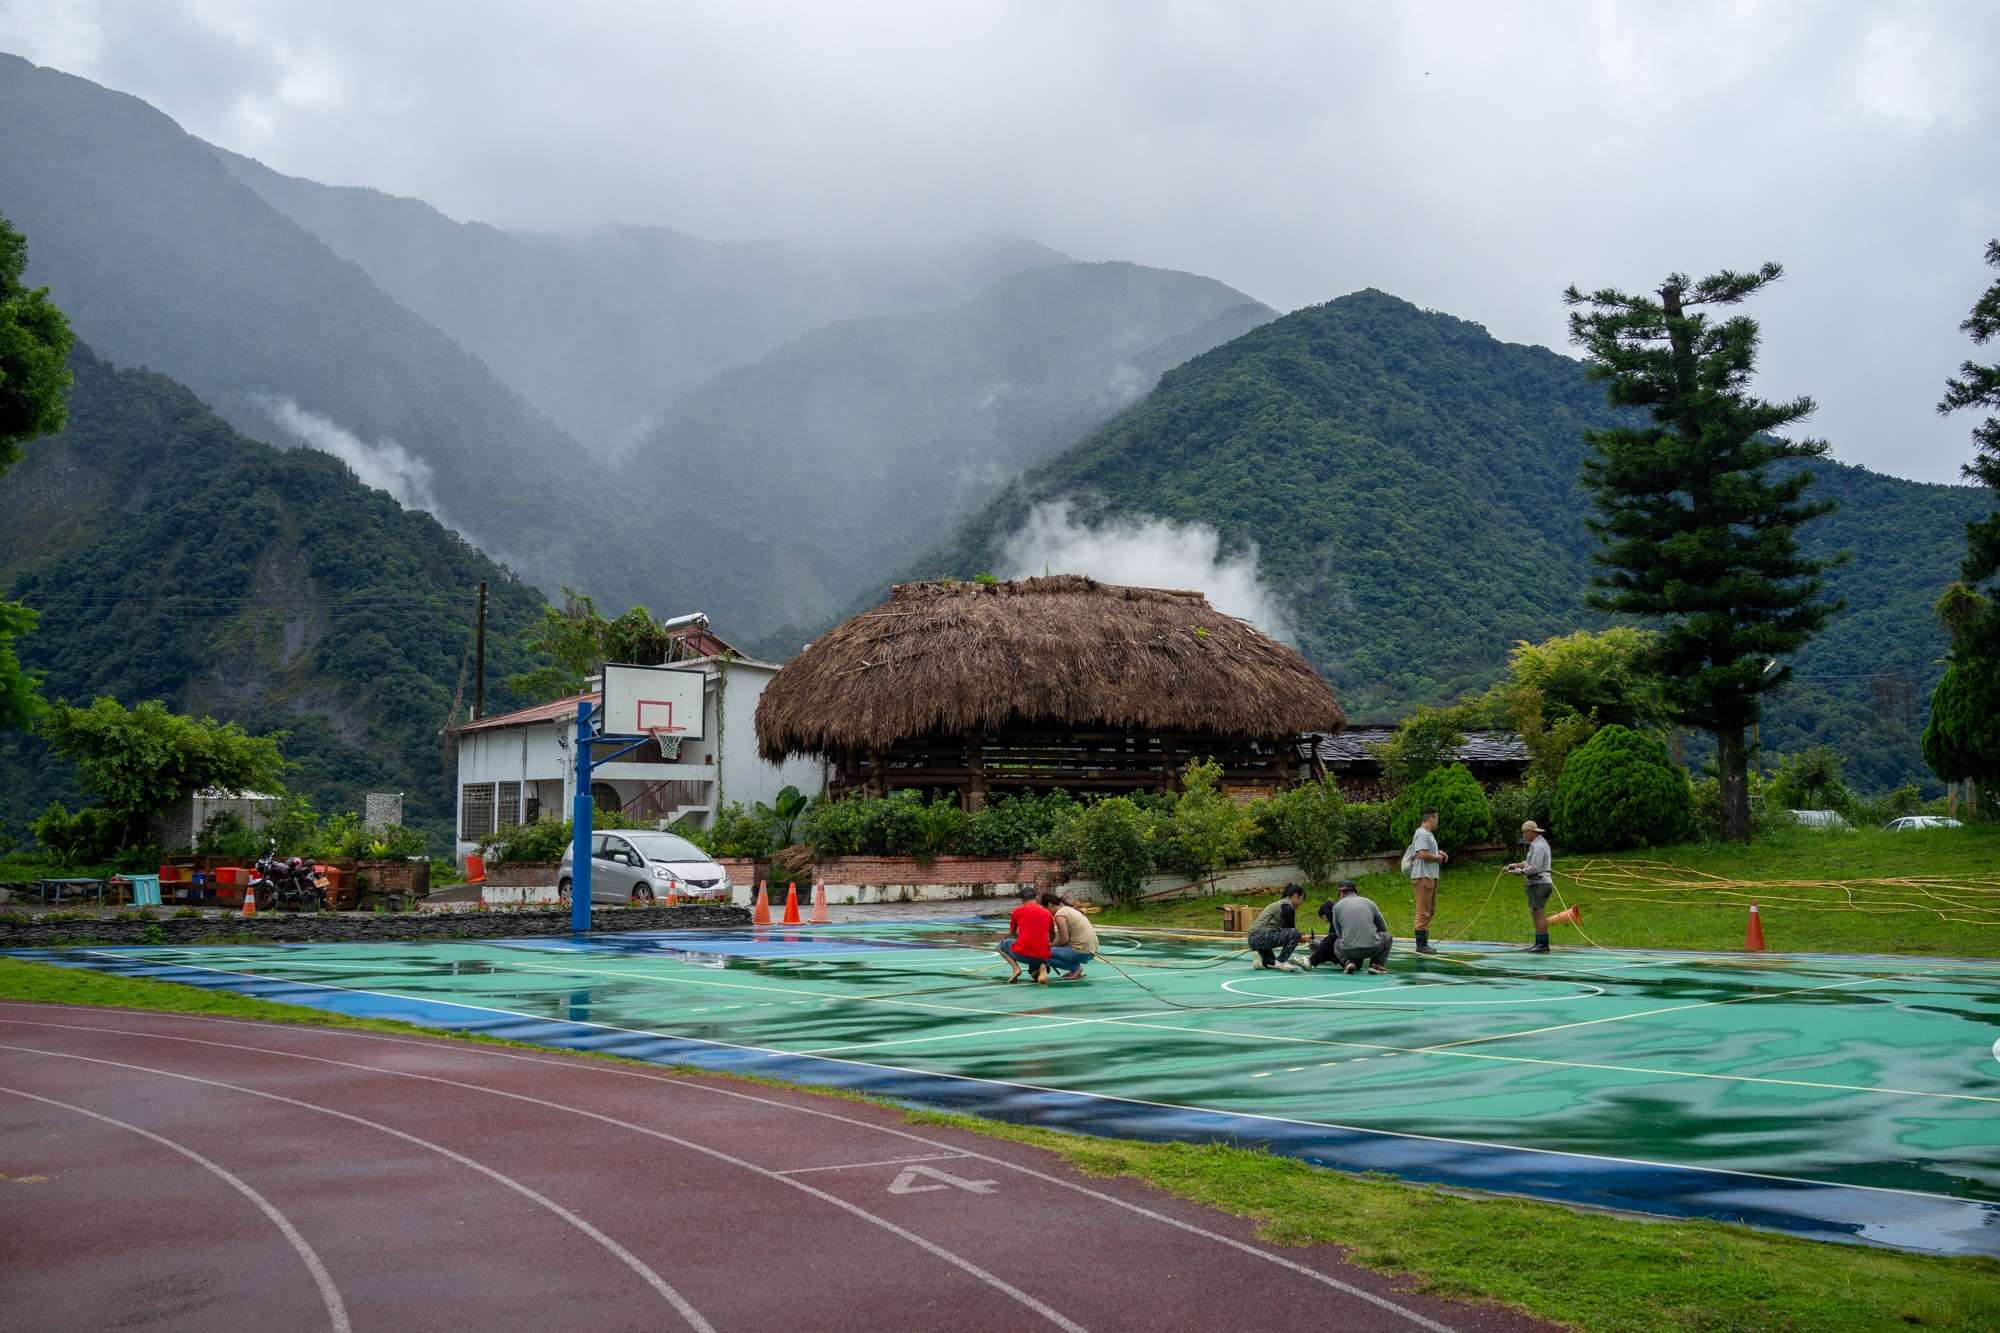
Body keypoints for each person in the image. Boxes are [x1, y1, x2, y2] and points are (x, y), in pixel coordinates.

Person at [1310, 879, 1392, 974]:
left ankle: (1347, 962)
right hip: (1372, 948)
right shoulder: (1370, 903)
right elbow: (1383, 927)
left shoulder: (1337, 907)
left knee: (1336, 942)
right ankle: (1376, 964)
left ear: (1341, 892)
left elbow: (1339, 934)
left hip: (1349, 950)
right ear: (1356, 891)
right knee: (1387, 936)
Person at [1504, 820, 1555, 953]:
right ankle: (1539, 942)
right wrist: (1517, 864)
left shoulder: (1538, 846)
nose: (1524, 836)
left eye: (1525, 833)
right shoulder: (1537, 844)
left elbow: (1535, 867)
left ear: (1531, 832)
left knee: (1539, 912)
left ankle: (1543, 944)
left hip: (1540, 882)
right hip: (1537, 883)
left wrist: (1520, 872)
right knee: (1535, 912)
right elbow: (1530, 862)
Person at [1406, 807, 1446, 955]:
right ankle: (1421, 945)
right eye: (1436, 819)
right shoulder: (1423, 834)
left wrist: (1438, 854)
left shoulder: (1426, 834)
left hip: (1429, 875)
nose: (1437, 822)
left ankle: (1424, 943)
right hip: (1424, 876)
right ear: (1431, 818)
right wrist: (1438, 858)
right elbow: (1422, 854)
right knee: (1423, 910)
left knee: (1429, 909)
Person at [998, 885, 1054, 983]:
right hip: (1043, 955)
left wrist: (1022, 935)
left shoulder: (1017, 911)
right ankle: (1043, 967)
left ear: (1022, 900)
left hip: (1023, 953)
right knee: (1034, 973)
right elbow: (1052, 934)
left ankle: (1016, 968)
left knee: (1002, 945)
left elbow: (1012, 933)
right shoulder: (1047, 913)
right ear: (1036, 898)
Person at [1247, 884, 1310, 971]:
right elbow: (1291, 931)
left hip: (1253, 939)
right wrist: (1301, 937)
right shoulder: (1288, 907)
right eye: (1301, 899)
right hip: (1262, 936)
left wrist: (1302, 935)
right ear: (1296, 896)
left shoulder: (1279, 905)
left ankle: (1261, 960)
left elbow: (1283, 929)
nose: (1301, 903)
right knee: (1295, 934)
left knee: (1271, 963)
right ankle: (1282, 961)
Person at [1044, 892, 1100, 980]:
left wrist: (1051, 945)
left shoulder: (1060, 915)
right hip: (1092, 950)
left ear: (1050, 905)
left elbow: (1064, 939)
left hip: (1082, 951)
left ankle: (1075, 968)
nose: (1046, 912)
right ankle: (1074, 968)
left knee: (1043, 953)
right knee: (1052, 950)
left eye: (1045, 909)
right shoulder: (1068, 909)